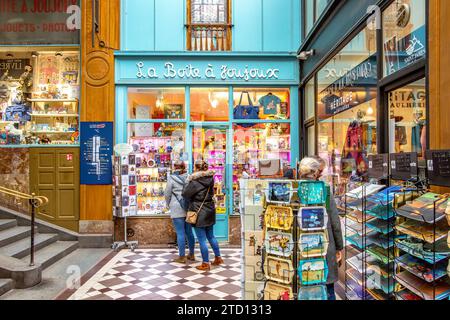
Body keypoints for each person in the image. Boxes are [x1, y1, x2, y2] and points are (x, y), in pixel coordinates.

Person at [299, 157, 344, 300]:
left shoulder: (294, 189)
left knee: (306, 284)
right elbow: (334, 221)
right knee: (327, 286)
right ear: (317, 173)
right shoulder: (324, 190)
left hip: (302, 248)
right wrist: (339, 247)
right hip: (324, 244)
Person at [182, 160, 223, 271]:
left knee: (201, 239)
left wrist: (188, 181)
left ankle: (205, 263)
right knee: (211, 236)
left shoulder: (194, 181)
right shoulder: (210, 178)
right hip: (210, 209)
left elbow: (185, 194)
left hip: (199, 211)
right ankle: (218, 257)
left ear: (196, 168)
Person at [164, 160, 195, 264]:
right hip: (188, 207)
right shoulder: (189, 177)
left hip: (176, 207)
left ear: (174, 167)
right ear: (184, 166)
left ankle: (182, 257)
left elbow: (167, 193)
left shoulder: (171, 178)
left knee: (180, 233)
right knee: (189, 232)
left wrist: (168, 204)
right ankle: (191, 254)